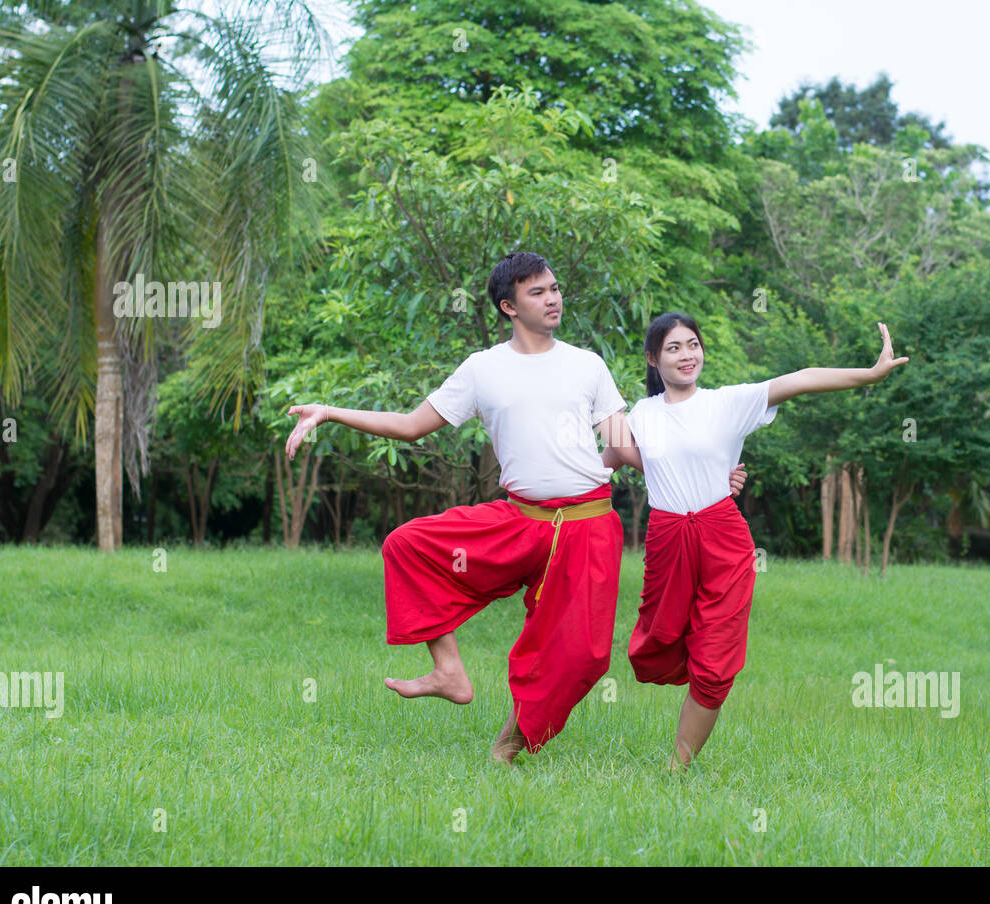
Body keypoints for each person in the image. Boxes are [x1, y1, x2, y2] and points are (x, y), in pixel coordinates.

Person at [285, 254, 745, 764]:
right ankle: (449, 672)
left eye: (554, 288)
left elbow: (625, 449)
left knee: (580, 658)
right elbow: (411, 425)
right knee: (407, 544)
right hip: (520, 520)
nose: (552, 298)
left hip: (587, 526)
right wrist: (328, 412)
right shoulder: (483, 369)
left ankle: (509, 744)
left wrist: (705, 476)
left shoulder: (586, 365)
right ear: (508, 306)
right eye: (537, 292)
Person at [602, 312, 908, 768]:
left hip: (722, 537)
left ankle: (676, 768)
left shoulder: (728, 402)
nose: (687, 355)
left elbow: (800, 379)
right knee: (657, 644)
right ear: (652, 358)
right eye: (673, 348)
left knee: (716, 660)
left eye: (693, 344)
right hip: (668, 539)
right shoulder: (640, 415)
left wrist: (870, 374)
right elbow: (606, 462)